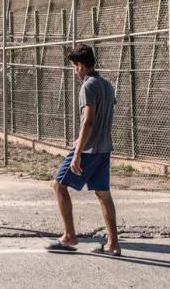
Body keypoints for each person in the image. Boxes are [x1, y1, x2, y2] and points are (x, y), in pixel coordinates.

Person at [45, 44, 121, 256]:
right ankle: (113, 243)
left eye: (74, 67)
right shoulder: (107, 85)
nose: (74, 71)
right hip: (104, 149)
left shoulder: (88, 86)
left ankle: (69, 236)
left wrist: (77, 153)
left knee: (58, 185)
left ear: (81, 65)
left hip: (88, 149)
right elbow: (108, 108)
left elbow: (88, 121)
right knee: (103, 195)